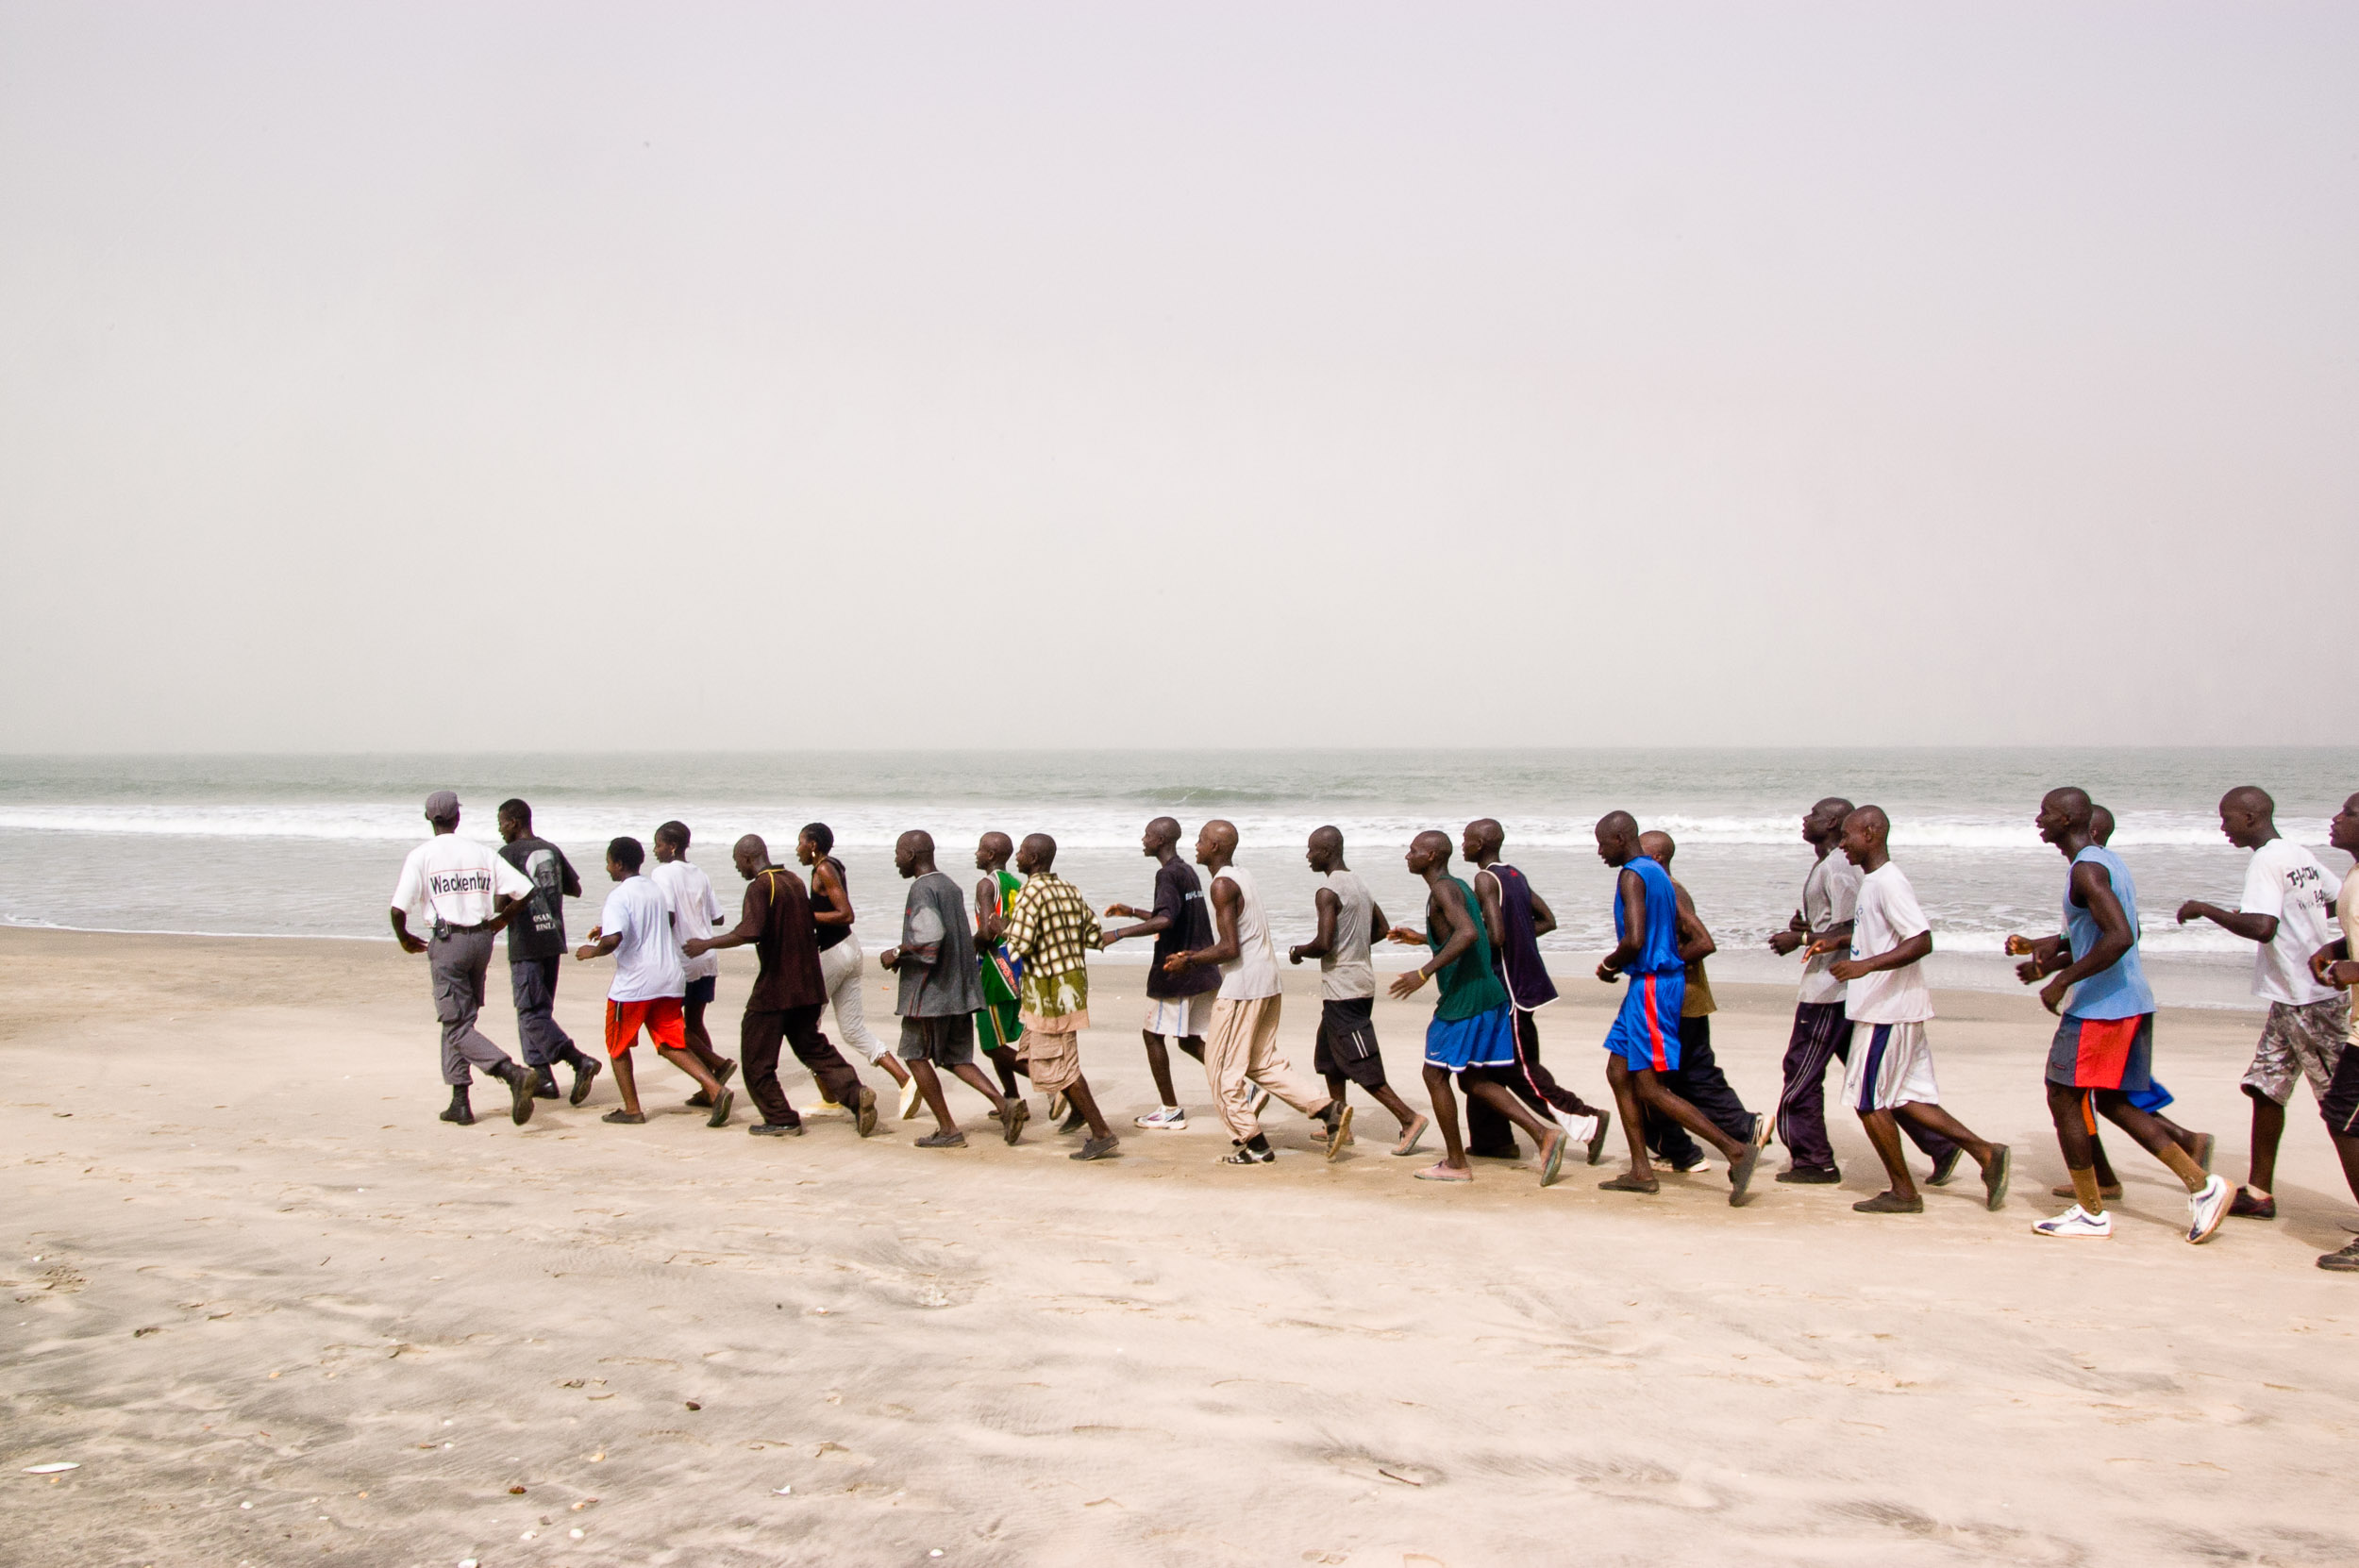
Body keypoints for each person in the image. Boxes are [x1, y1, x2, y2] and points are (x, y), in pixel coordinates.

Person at [2007, 789, 2230, 1242]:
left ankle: (2096, 1211)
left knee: (2063, 1095)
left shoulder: (2086, 869)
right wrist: (2047, 959)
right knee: (2110, 1100)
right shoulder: (2107, 863)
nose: (2038, 819)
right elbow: (2110, 932)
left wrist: (2062, 982)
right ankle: (2194, 1184)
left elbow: (2121, 936)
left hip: (2102, 1008)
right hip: (2129, 1001)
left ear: (2068, 818)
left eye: (2046, 812)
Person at [1806, 806, 2009, 1215]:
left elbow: (1920, 940)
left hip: (1888, 1010)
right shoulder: (1873, 882)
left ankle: (1903, 1191)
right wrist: (1837, 941)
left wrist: (1864, 966)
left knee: (1868, 1100)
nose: (1842, 844)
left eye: (1848, 835)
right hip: (1891, 1007)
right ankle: (1987, 1153)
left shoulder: (1888, 882)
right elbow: (1876, 932)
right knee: (1904, 1096)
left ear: (1871, 832)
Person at [2176, 786, 2350, 1221]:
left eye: (2227, 818)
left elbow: (2261, 927)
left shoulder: (2266, 860)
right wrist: (2304, 923)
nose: (2223, 827)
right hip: (2288, 997)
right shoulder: (2297, 853)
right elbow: (2333, 899)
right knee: (2264, 1088)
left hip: (2311, 1001)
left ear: (2251, 818)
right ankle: (2259, 1192)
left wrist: (2205, 909)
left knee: (2342, 1110)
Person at [1587, 812, 1758, 1203]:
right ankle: (1641, 1170)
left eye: (1602, 843)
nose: (1599, 852)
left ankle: (1736, 1149)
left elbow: (1634, 939)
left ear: (1619, 838)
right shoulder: (1658, 873)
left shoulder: (1632, 874)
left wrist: (1609, 965)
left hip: (1652, 985)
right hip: (1649, 985)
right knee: (1618, 1071)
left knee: (1650, 1087)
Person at [1386, 830, 1566, 1184]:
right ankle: (1544, 1135)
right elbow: (1473, 933)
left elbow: (1468, 933)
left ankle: (1456, 1163)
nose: (1408, 855)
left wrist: (1424, 972)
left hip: (1465, 999)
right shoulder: (1457, 886)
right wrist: (1425, 939)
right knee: (1472, 1078)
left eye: (1415, 850)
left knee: (1434, 1074)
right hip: (1489, 994)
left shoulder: (1442, 888)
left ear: (1433, 856)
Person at [1164, 820, 1348, 1165]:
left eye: (1202, 840)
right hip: (1268, 982)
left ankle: (1254, 1144)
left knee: (1220, 1072)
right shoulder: (1242, 875)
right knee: (1261, 1064)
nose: (1197, 845)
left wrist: (1188, 959)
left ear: (1216, 847)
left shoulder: (1221, 885)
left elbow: (1230, 948)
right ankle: (1328, 1109)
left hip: (1243, 989)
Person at [684, 835, 878, 1139]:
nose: (738, 869)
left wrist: (705, 944)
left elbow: (750, 931)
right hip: (809, 984)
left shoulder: (760, 886)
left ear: (749, 858)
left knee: (756, 1058)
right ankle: (856, 1095)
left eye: (738, 863)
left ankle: (781, 1117)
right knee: (813, 1047)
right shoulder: (793, 880)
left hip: (777, 988)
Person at [1460, 819, 1611, 1164]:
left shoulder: (1484, 878)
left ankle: (1587, 1119)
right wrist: (1521, 943)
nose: (1463, 845)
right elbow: (1546, 919)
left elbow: (1496, 937)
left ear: (1481, 844)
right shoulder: (1515, 875)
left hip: (1508, 989)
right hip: (1522, 984)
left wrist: (1476, 946)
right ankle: (1492, 1140)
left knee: (1521, 1069)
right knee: (1482, 1067)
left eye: (1467, 840)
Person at [390, 791, 542, 1127]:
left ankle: (511, 1072)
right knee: (459, 1021)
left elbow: (398, 910)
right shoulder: (480, 852)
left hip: (449, 942)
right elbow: (527, 890)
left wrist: (403, 938)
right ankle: (460, 1101)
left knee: (455, 1025)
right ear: (457, 818)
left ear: (430, 819)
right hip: (481, 941)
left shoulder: (422, 855)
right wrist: (501, 920)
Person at [879, 831, 1028, 1149]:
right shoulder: (949, 885)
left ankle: (948, 1128)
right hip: (961, 988)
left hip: (929, 993)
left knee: (915, 1056)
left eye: (898, 853)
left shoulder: (922, 888)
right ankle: (1005, 1106)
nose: (895, 860)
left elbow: (929, 939)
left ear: (912, 854)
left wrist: (896, 953)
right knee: (954, 1057)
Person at [1633, 830, 1770, 1173]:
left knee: (1659, 1079)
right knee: (1686, 1075)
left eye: (1643, 853)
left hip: (1678, 998)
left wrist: (1661, 963)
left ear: (1659, 859)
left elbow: (1702, 943)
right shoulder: (1660, 888)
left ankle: (1696, 1146)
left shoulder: (1669, 890)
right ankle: (1728, 1134)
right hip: (1683, 997)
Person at [574, 836, 734, 1127]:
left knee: (618, 1047)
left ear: (619, 863)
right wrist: (607, 931)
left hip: (635, 984)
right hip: (670, 978)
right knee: (669, 1042)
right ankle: (715, 1089)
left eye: (609, 861)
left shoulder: (619, 896)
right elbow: (650, 924)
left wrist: (592, 951)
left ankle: (632, 1109)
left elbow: (614, 939)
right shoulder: (654, 889)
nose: (607, 867)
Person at [1287, 826, 1429, 1156]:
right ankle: (1339, 1124)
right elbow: (1381, 928)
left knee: (1359, 1062)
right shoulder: (1359, 883)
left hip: (1344, 989)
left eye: (1311, 850)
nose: (1308, 856)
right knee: (1328, 1058)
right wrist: (1353, 945)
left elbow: (1323, 944)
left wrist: (1298, 951)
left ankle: (1409, 1118)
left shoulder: (1327, 891)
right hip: (1360, 980)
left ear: (1327, 851)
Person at [997, 833, 1120, 1160]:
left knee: (1062, 1065)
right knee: (1034, 1056)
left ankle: (1102, 1132)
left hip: (1048, 993)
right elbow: (1094, 936)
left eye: (1022, 852)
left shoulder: (1030, 892)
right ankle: (1078, 1108)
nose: (1018, 857)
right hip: (1070, 987)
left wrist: (1002, 930)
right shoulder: (1069, 889)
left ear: (1034, 860)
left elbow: (1018, 947)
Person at [1101, 817, 1220, 1129]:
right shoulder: (1186, 870)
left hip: (1176, 970)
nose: (1143, 839)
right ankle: (1242, 1090)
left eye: (1147, 835)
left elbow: (1166, 921)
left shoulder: (1166, 874)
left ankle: (1170, 1110)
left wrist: (1118, 933)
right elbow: (1173, 914)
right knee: (1189, 1040)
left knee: (1152, 1035)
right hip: (1200, 967)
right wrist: (1132, 911)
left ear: (1160, 841)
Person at [799, 823, 916, 1114]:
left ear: (813, 845)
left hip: (834, 953)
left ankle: (832, 1095)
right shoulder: (833, 866)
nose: (797, 849)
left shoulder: (824, 869)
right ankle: (905, 1081)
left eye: (800, 842)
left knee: (804, 1028)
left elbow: (845, 913)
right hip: (849, 950)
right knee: (852, 1029)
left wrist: (804, 915)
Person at [494, 797, 600, 1105]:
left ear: (514, 822)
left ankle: (578, 1060)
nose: (500, 829)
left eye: (501, 822)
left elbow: (501, 906)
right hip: (553, 939)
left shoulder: (508, 854)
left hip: (526, 942)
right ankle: (542, 1078)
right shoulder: (551, 849)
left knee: (530, 1013)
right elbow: (575, 888)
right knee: (539, 1012)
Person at [2304, 791, 2359, 1271]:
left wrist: (2356, 970)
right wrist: (2338, 949)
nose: (2336, 819)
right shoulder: (2354, 876)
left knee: (2342, 1114)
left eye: (2349, 813)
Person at [649, 821, 736, 1107]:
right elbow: (718, 917)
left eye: (658, 844)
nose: (655, 850)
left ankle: (716, 1065)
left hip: (681, 957)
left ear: (671, 846)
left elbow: (669, 917)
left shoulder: (662, 873)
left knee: (670, 1023)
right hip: (706, 956)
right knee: (695, 1020)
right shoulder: (700, 873)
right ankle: (709, 1084)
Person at [970, 832, 1030, 1104]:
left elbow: (985, 932)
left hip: (994, 967)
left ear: (991, 855)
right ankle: (1012, 1097)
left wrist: (966, 948)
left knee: (991, 1045)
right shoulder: (1015, 883)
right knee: (998, 1037)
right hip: (1015, 964)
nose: (976, 853)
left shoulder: (986, 884)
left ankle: (1051, 1081)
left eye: (980, 849)